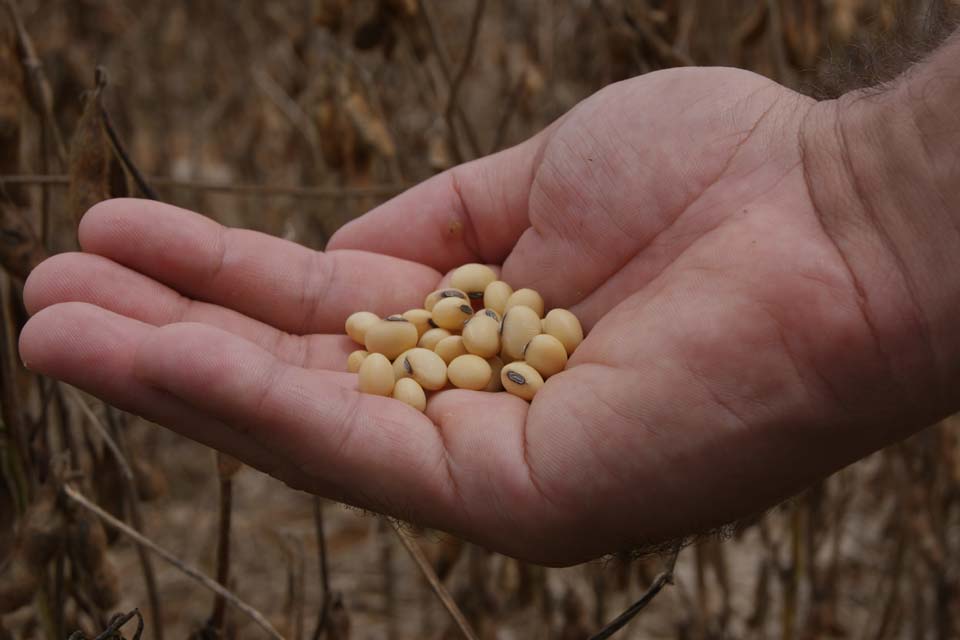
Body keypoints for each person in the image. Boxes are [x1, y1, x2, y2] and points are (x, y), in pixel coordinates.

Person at [18, 29, 960, 567]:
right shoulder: (480, 331)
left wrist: (869, 191)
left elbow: (480, 341)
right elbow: (465, 341)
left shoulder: (493, 330)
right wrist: (870, 186)